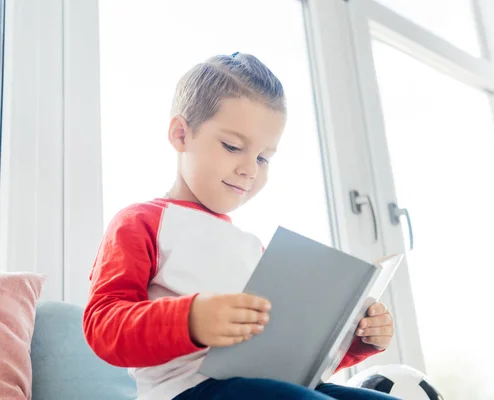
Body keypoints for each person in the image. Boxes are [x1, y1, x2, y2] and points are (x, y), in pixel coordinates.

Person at [83, 52, 399, 400]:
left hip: (262, 384)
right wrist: (190, 319)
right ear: (181, 135)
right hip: (189, 392)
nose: (251, 169)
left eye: (263, 158)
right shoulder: (140, 221)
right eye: (233, 146)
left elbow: (287, 355)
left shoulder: (252, 247)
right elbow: (102, 324)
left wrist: (355, 340)